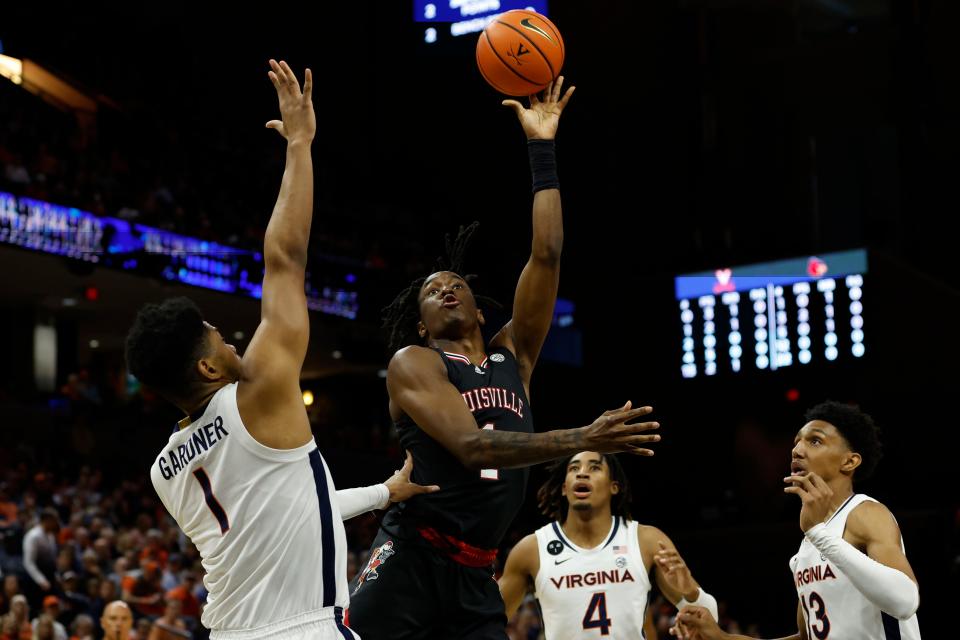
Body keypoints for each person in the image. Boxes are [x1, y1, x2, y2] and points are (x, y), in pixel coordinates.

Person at [125, 60, 434, 639]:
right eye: (215, 333)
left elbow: (290, 518)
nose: (228, 333)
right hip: (304, 629)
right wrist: (300, 143)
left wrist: (383, 493)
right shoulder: (258, 396)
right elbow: (286, 259)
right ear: (207, 365)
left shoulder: (163, 470)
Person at [348, 78, 662, 639]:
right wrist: (583, 437)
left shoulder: (511, 356)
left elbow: (547, 254)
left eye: (456, 284)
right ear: (421, 323)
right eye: (431, 290)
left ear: (480, 308)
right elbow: (473, 447)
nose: (446, 289)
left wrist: (542, 149)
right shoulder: (414, 363)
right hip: (412, 556)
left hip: (476, 569)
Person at [672, 401, 921, 639]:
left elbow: (905, 601)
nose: (797, 450)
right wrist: (721, 638)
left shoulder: (865, 513)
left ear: (850, 461)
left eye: (815, 441)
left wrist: (818, 534)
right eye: (796, 442)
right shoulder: (807, 546)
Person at [499, 451, 718, 638]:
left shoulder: (646, 541)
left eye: (594, 468)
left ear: (614, 487)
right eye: (574, 468)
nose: (582, 472)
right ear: (564, 488)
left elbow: (710, 626)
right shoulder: (531, 550)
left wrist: (690, 592)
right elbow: (485, 621)